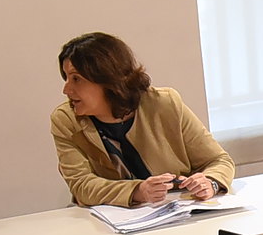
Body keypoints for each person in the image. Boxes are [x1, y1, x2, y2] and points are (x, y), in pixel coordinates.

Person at [51, 31, 235, 209]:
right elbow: (82, 186)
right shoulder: (66, 120)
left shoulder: (165, 104)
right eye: (66, 78)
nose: (66, 89)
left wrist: (211, 182)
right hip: (111, 225)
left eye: (76, 79)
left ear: (108, 79)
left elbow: (219, 160)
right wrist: (138, 191)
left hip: (179, 213)